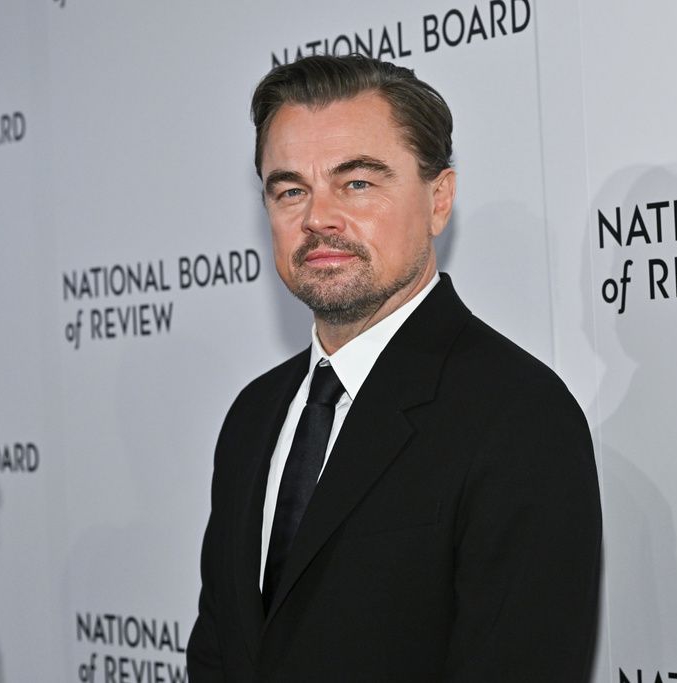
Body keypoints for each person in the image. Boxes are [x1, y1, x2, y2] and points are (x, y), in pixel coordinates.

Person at [187, 54, 601, 682]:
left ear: (440, 201)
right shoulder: (252, 416)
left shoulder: (518, 415)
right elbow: (220, 652)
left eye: (357, 183)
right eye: (291, 189)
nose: (318, 218)